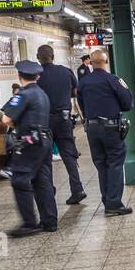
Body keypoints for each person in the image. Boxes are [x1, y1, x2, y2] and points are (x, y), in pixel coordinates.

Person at [1, 60, 57, 237]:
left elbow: (6, 120)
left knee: (20, 179)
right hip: (44, 140)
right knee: (43, 181)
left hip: (29, 143)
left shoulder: (23, 95)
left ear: (19, 76)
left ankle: (29, 223)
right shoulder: (42, 94)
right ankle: (49, 221)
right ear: (38, 76)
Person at [79, 49, 134, 216]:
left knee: (101, 164)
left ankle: (107, 200)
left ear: (91, 62)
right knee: (115, 163)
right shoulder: (113, 80)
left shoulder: (83, 82)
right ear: (106, 61)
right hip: (110, 127)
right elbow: (127, 103)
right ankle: (114, 204)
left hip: (91, 128)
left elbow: (81, 104)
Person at [35, 44, 86, 205]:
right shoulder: (66, 72)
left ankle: (49, 190)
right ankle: (77, 189)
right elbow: (75, 92)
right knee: (69, 155)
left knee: (45, 157)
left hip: (44, 121)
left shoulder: (35, 75)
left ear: (38, 58)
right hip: (64, 119)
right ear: (53, 56)